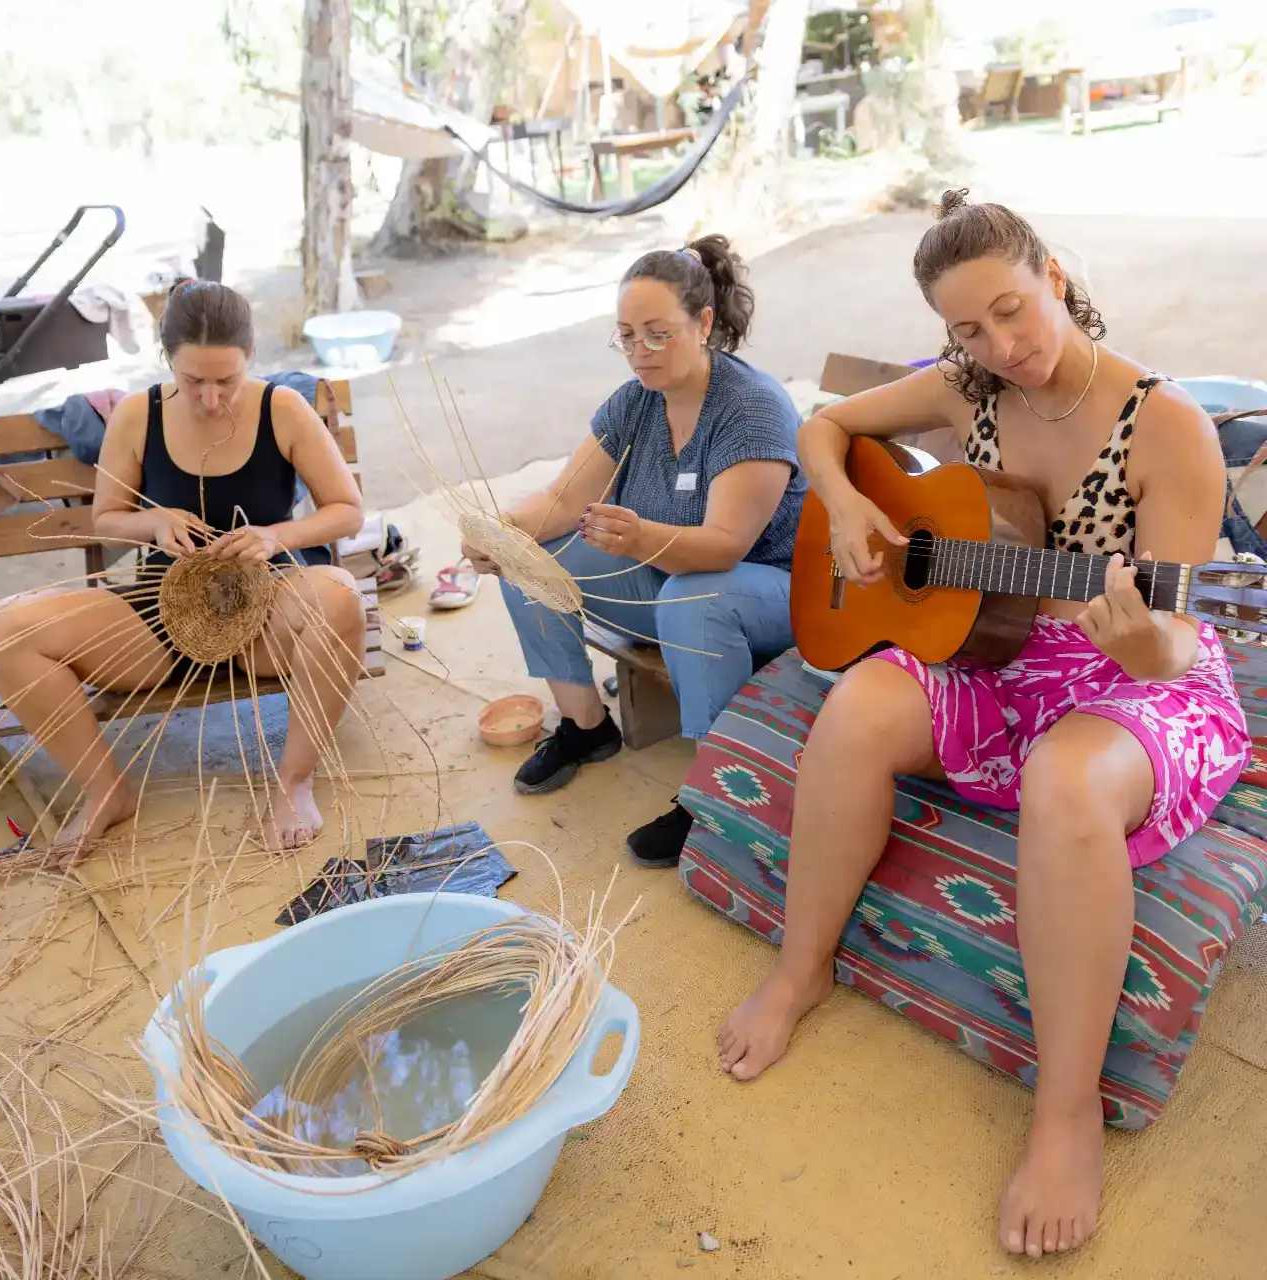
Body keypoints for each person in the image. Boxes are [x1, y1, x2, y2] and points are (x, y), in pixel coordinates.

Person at [718, 191, 1249, 1258]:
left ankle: (1064, 1112)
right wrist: (852, 504)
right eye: (967, 330)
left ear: (1054, 276)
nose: (998, 347)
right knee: (860, 704)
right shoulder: (965, 391)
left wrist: (1141, 642)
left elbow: (1178, 636)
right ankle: (800, 963)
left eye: (1011, 311)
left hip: (1138, 674)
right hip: (999, 647)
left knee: (1064, 777)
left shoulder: (1167, 425)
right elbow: (822, 426)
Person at [0, 281, 366, 860]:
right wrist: (154, 521)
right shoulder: (139, 415)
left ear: (251, 358)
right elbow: (108, 518)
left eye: (227, 381)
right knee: (2, 633)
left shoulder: (282, 409)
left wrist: (274, 535)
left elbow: (346, 510)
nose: (211, 400)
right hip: (164, 615)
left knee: (341, 598)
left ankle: (292, 782)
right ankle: (106, 791)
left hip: (271, 610)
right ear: (168, 361)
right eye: (193, 381)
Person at [462, 236, 805, 868]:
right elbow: (564, 502)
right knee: (529, 565)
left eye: (657, 334)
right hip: (670, 577)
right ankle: (587, 727)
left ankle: (712, 798)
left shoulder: (751, 409)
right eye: (626, 336)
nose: (639, 354)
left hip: (771, 593)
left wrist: (643, 537)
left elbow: (726, 547)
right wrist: (501, 530)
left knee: (691, 596)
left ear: (703, 324)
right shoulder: (636, 401)